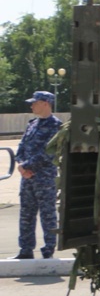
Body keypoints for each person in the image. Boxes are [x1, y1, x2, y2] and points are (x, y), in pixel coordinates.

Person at [12, 91, 61, 260]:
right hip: (27, 177)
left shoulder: (55, 125)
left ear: (46, 103)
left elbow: (49, 152)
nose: (32, 105)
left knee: (47, 214)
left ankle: (48, 249)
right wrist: (21, 164)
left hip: (45, 177)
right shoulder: (32, 124)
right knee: (26, 214)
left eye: (35, 102)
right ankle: (25, 250)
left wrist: (27, 166)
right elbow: (22, 147)